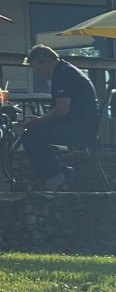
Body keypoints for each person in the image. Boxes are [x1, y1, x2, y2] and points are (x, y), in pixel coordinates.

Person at [19, 44, 99, 191]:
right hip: (83, 126)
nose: (38, 73)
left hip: (79, 130)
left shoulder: (62, 74)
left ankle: (56, 174)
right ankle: (56, 174)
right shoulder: (68, 70)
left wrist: (38, 120)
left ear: (47, 61)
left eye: (37, 68)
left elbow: (62, 109)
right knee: (34, 133)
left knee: (30, 136)